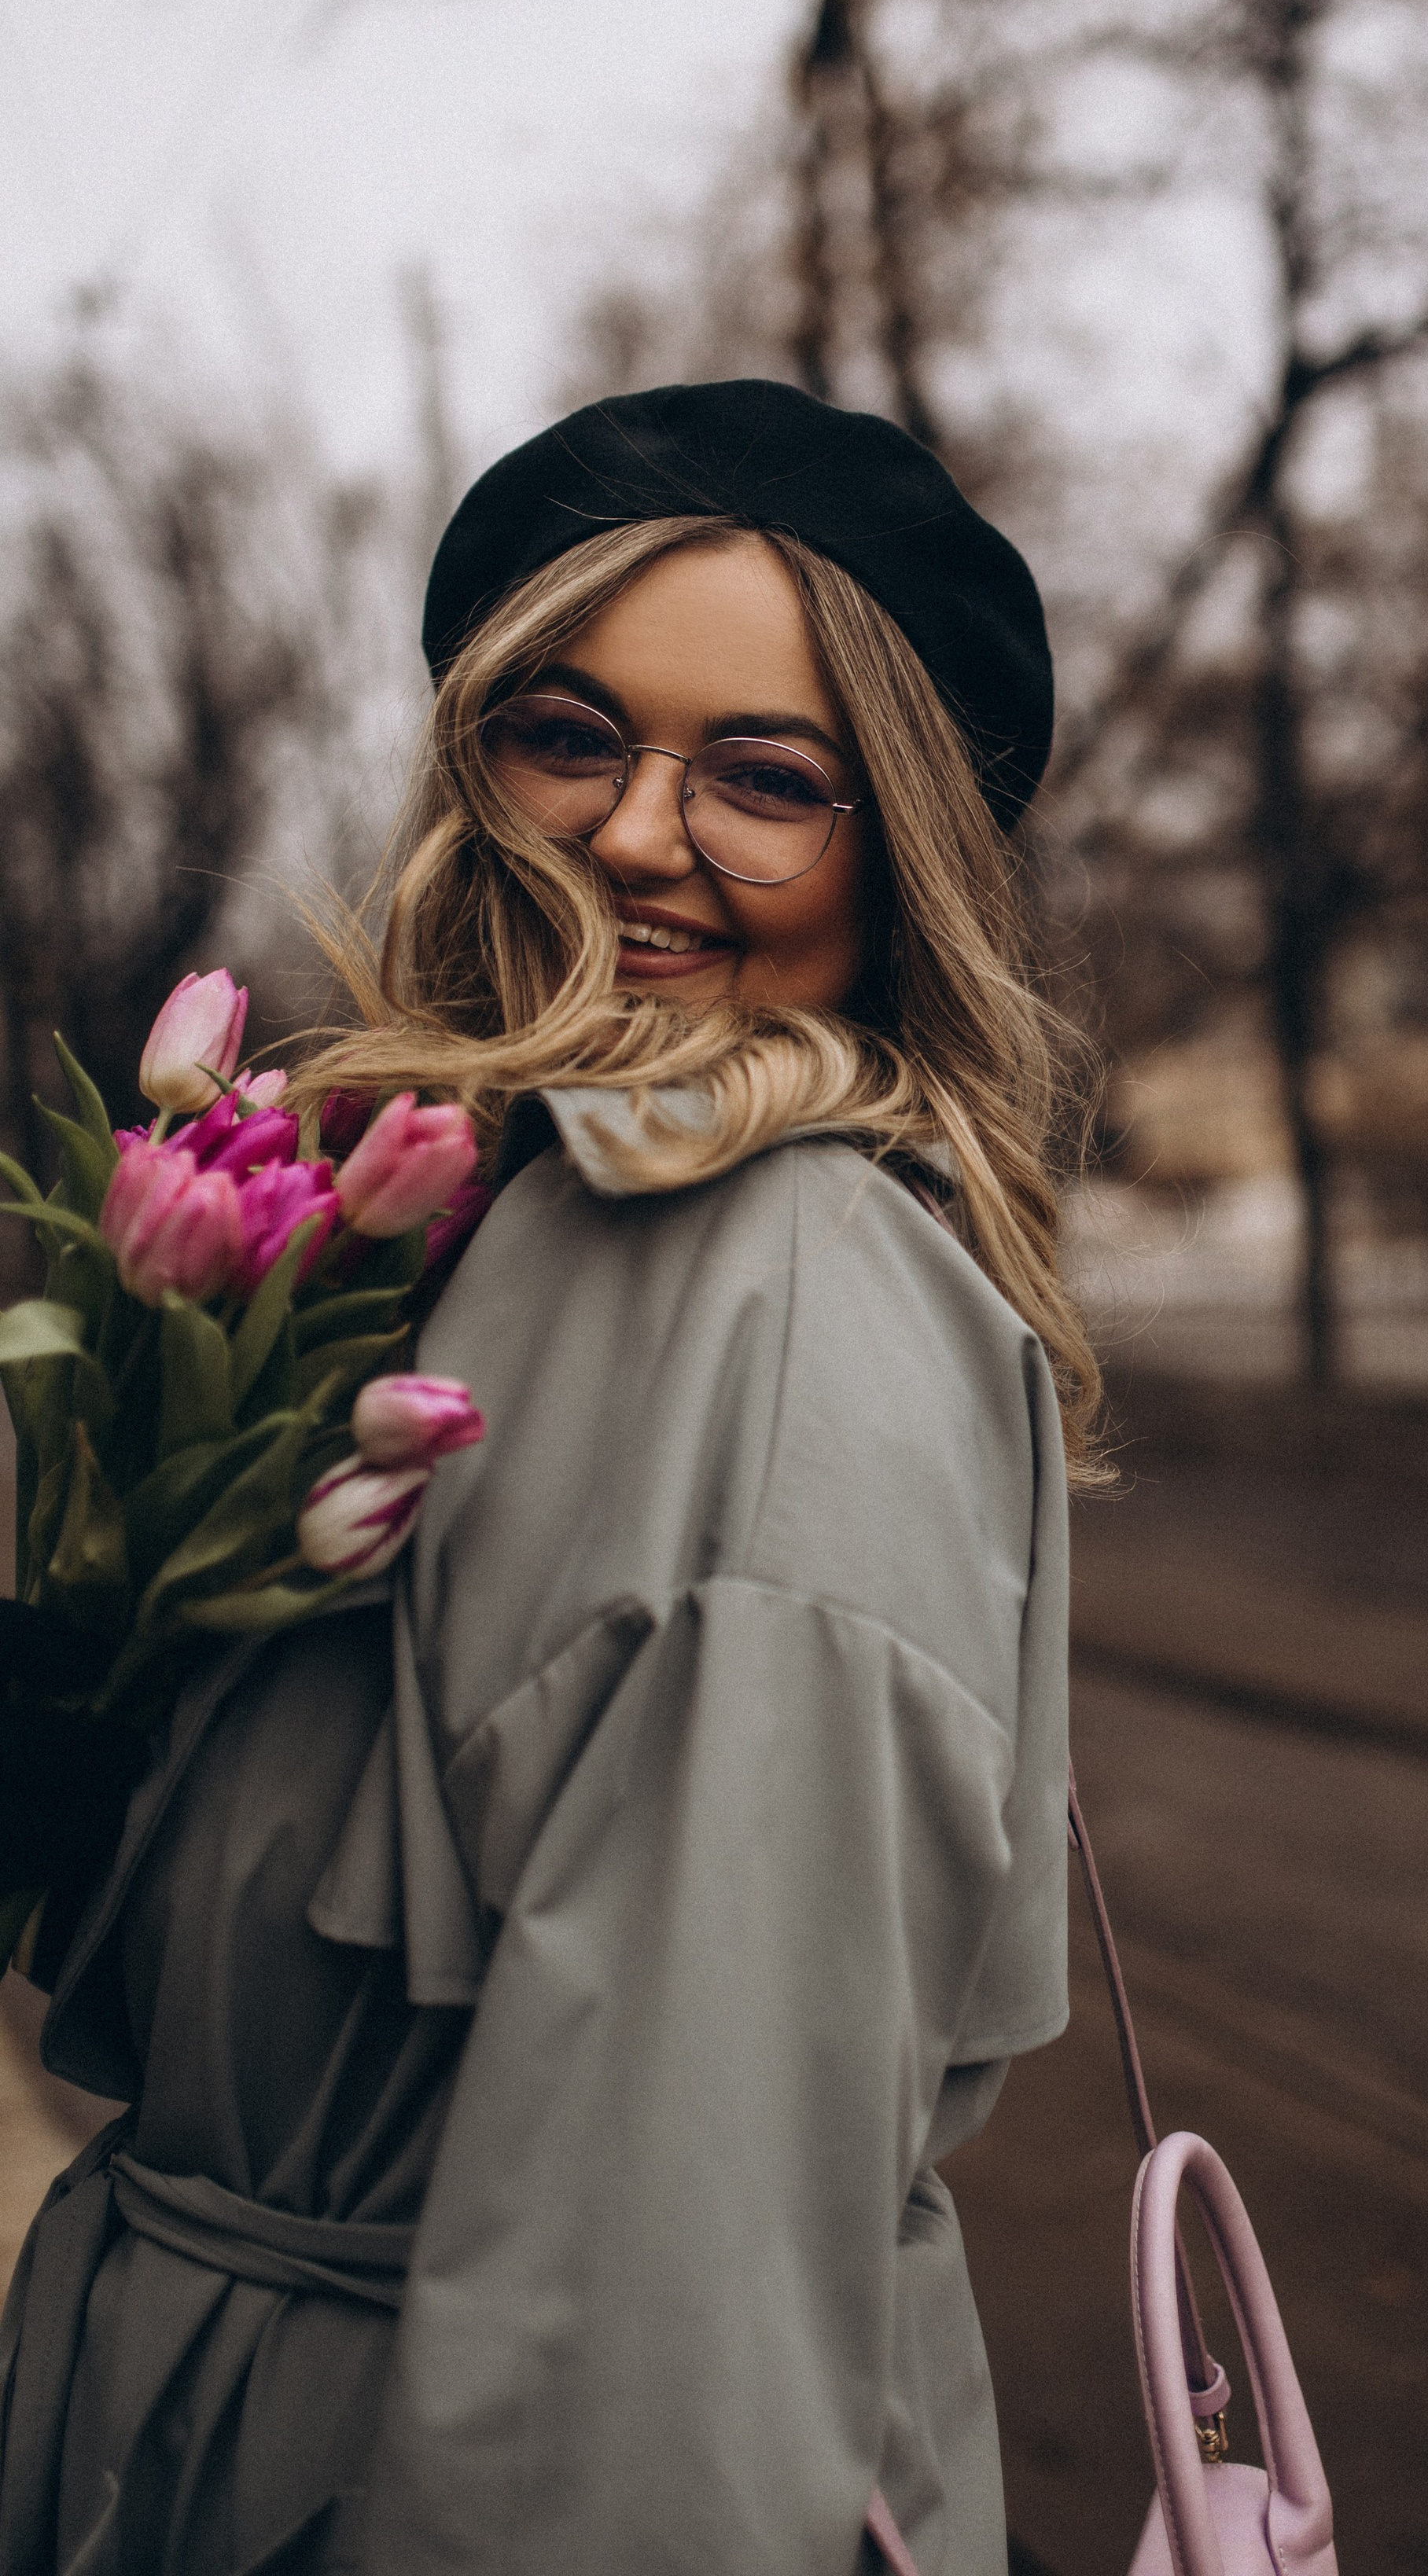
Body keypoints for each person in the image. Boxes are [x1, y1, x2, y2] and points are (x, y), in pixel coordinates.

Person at [0, 380, 1100, 2576]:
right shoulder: (464, 1217)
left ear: (902, 850)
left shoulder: (778, 1301)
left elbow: (664, 2332)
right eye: (568, 734)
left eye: (767, 780)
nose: (632, 834)